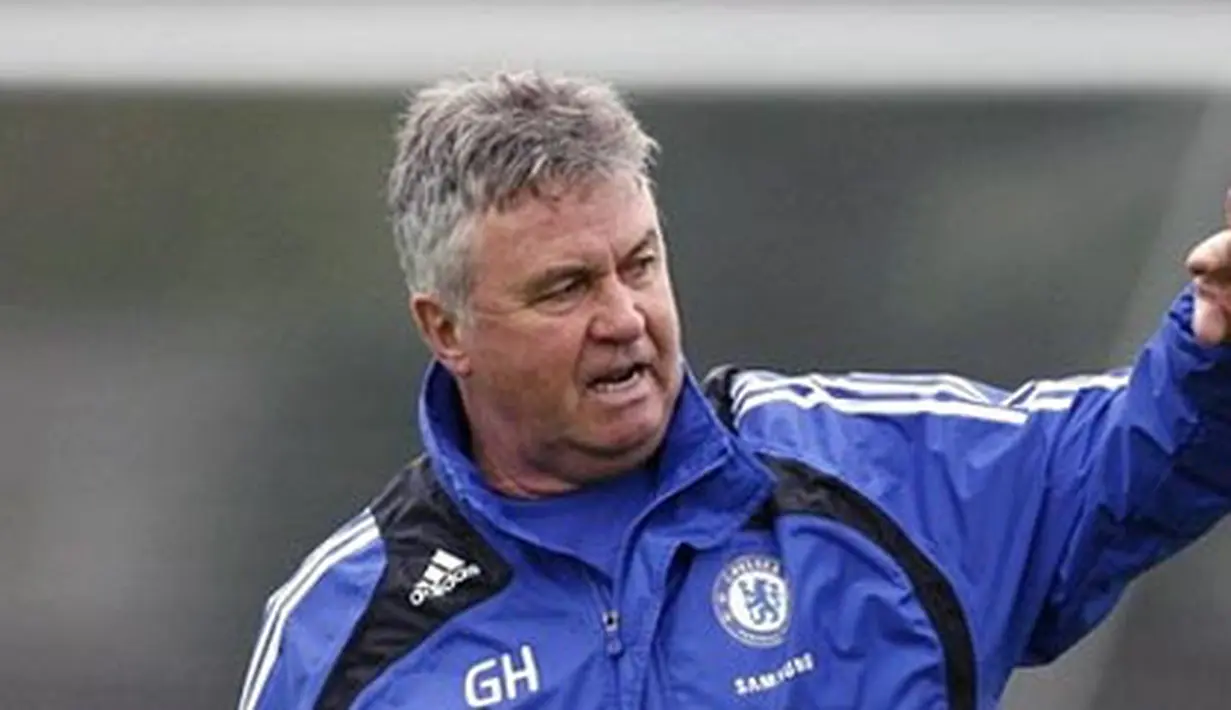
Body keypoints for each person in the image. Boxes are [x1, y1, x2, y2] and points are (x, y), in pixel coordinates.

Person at [236, 71, 1231, 710]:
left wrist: (1215, 345)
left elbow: (1136, 455)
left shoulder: (873, 481)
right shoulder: (346, 632)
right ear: (446, 327)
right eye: (567, 287)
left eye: (639, 263)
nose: (624, 315)